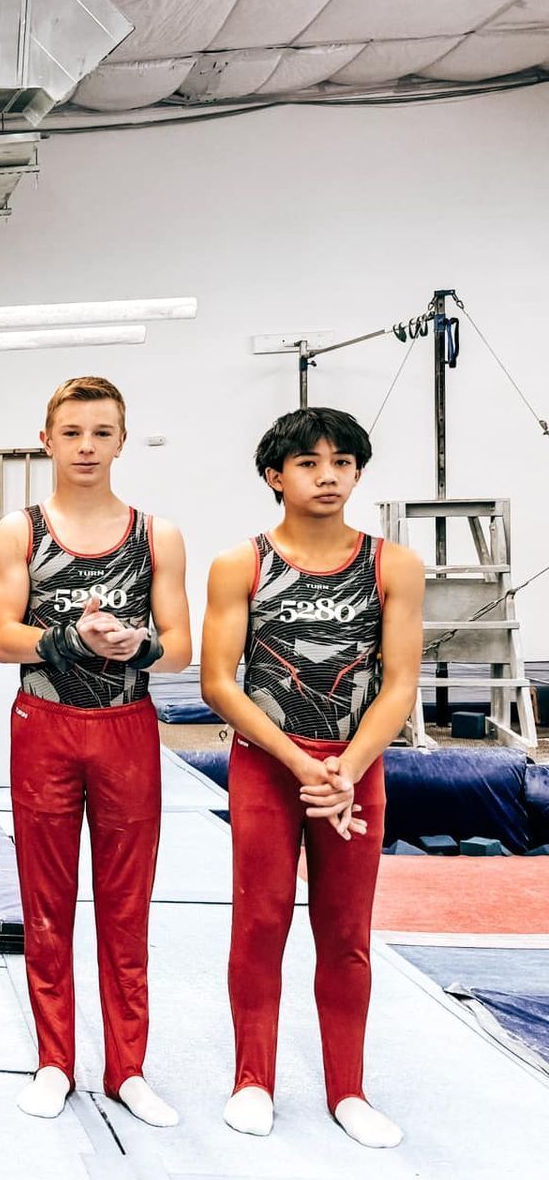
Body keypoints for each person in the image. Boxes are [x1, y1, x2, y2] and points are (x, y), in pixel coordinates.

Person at [201, 408, 420, 1149]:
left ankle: (347, 1089)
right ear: (275, 476)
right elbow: (219, 683)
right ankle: (252, 1077)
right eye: (308, 463)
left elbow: (399, 685)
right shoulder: (243, 564)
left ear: (357, 473)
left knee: (347, 932)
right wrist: (302, 764)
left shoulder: (393, 565)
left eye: (342, 462)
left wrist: (348, 767)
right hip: (268, 764)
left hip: (356, 768)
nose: (327, 475)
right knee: (260, 923)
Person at [0, 376, 191, 1126]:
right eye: (72, 432)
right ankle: (53, 1060)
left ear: (121, 441)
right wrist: (73, 637)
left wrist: (137, 643)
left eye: (101, 433)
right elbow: (3, 635)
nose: (85, 446)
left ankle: (128, 1068)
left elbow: (179, 648)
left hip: (125, 726)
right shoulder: (21, 531)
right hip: (45, 724)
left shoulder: (154, 535)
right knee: (46, 903)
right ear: (47, 439)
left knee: (125, 904)